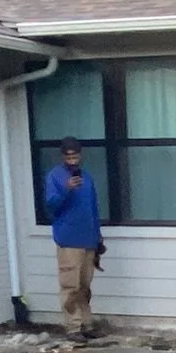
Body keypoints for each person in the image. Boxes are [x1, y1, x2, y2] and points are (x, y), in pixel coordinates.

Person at [42, 137, 102, 338]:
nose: (72, 158)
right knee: (70, 286)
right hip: (68, 239)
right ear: (62, 155)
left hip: (88, 239)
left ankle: (87, 324)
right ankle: (73, 327)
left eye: (75, 154)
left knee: (85, 286)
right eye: (68, 155)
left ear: (80, 154)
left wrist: (98, 238)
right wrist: (66, 189)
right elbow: (51, 206)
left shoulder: (87, 178)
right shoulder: (55, 177)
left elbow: (93, 209)